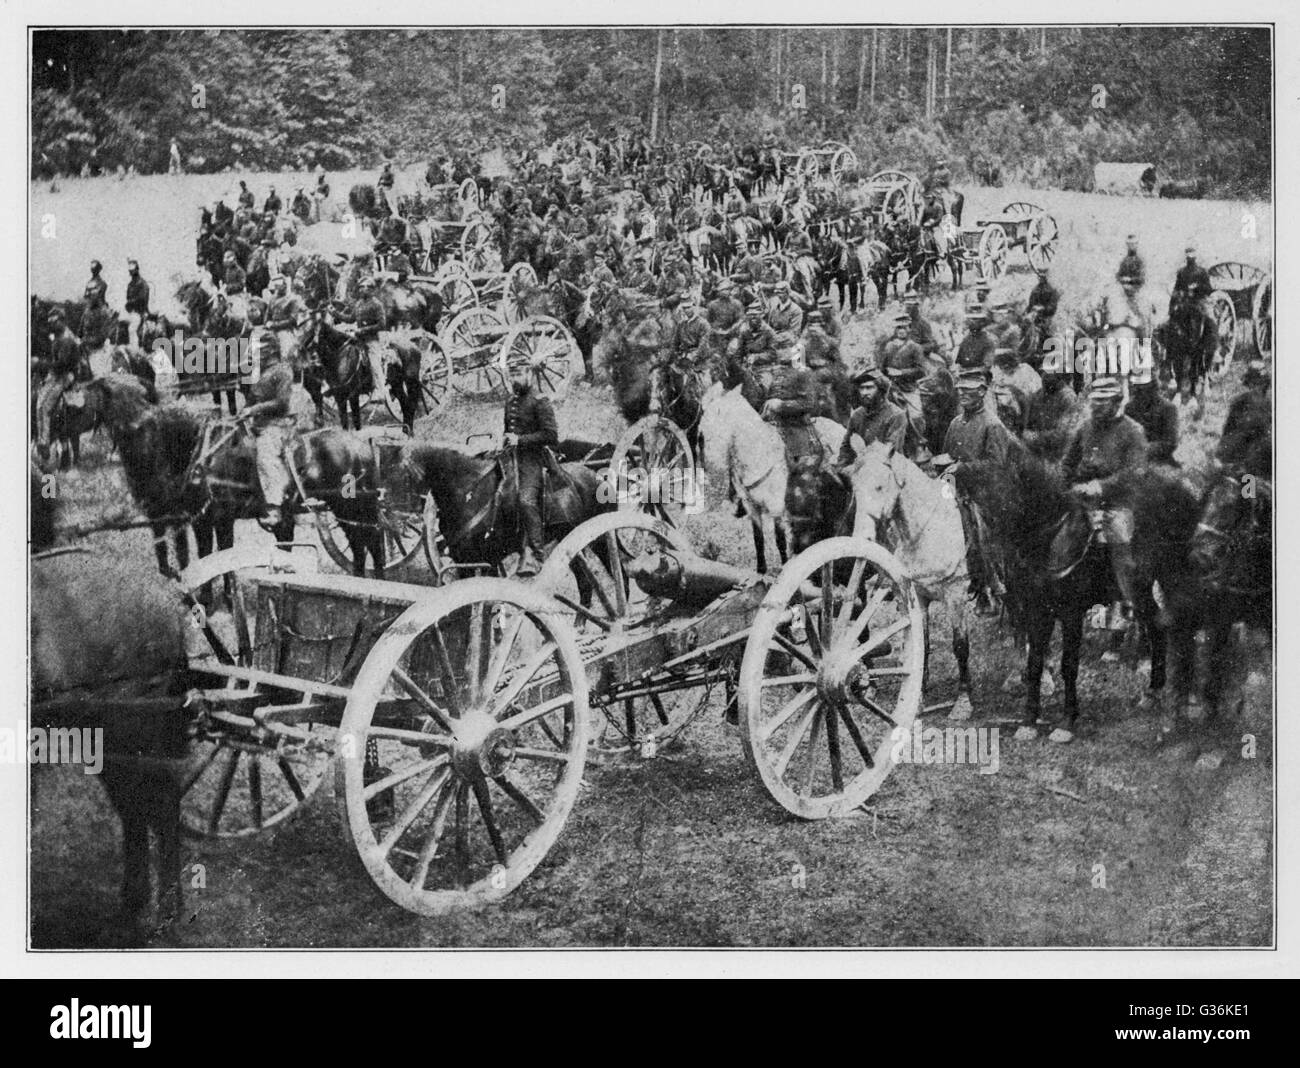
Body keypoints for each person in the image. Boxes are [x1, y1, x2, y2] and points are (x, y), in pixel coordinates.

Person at [1056, 376, 1149, 618]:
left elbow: (1134, 473)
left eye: (1102, 403)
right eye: (1093, 403)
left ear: (1117, 403)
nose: (1095, 408)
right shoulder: (1085, 427)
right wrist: (1061, 483)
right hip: (1083, 498)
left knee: (1118, 540)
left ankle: (1127, 601)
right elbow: (1067, 462)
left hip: (1120, 503)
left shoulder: (1133, 431)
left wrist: (1100, 486)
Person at [238, 304, 295, 531]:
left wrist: (253, 410)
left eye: (258, 350)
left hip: (278, 425)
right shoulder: (260, 374)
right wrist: (244, 412)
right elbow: (252, 399)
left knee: (265, 457)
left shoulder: (283, 371)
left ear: (270, 350)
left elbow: (281, 404)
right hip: (260, 423)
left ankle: (275, 508)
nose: (255, 354)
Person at [504, 363, 559, 577]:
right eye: (512, 375)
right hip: (510, 458)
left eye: (518, 374)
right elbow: (507, 431)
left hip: (533, 460)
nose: (515, 379)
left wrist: (521, 440)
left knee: (526, 501)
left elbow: (551, 436)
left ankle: (537, 554)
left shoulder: (540, 401)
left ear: (529, 374)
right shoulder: (510, 401)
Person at [761, 347, 822, 468]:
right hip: (772, 426)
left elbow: (809, 403)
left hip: (795, 427)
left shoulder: (803, 372)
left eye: (786, 346)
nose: (781, 350)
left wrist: (781, 405)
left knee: (802, 470)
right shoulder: (775, 372)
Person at [837, 359, 907, 465]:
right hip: (860, 467)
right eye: (861, 388)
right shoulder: (857, 415)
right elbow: (846, 448)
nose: (864, 393)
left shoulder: (896, 415)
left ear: (881, 390)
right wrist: (842, 465)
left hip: (887, 469)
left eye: (869, 388)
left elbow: (889, 452)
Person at [36, 311, 81, 455]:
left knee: (45, 406)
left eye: (55, 321)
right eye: (50, 322)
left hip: (66, 375)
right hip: (57, 374)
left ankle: (44, 442)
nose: (52, 324)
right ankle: (43, 440)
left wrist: (40, 364)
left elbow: (62, 364)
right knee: (40, 402)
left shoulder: (66, 339)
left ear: (62, 321)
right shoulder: (59, 337)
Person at [1124, 359, 1178, 465]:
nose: (1137, 386)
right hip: (1132, 463)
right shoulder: (1129, 408)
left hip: (1160, 463)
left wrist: (1145, 449)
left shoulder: (1167, 408)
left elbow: (1170, 443)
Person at [956, 305, 995, 370]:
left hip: (979, 377)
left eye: (974, 319)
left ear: (982, 322)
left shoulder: (988, 341)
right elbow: (959, 361)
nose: (970, 322)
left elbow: (987, 366)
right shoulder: (966, 339)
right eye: (969, 319)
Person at [124, 259, 150, 346]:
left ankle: (135, 350)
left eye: (132, 270)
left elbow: (142, 299)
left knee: (132, 329)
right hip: (131, 312)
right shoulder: (130, 285)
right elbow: (127, 298)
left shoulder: (143, 284)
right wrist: (128, 305)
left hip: (140, 312)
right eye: (130, 271)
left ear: (137, 270)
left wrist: (131, 302)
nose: (131, 273)